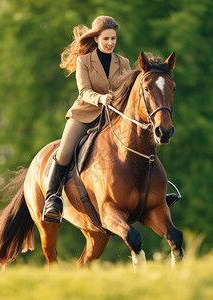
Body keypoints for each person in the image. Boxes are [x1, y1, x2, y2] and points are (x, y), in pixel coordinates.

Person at [42, 16, 131, 223]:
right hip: (85, 113)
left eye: (113, 39)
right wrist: (100, 98)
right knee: (64, 152)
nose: (110, 43)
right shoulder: (84, 61)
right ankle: (52, 199)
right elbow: (83, 91)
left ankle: (156, 191)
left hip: (113, 116)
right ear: (97, 39)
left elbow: (127, 91)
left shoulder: (123, 63)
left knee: (140, 142)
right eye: (106, 38)